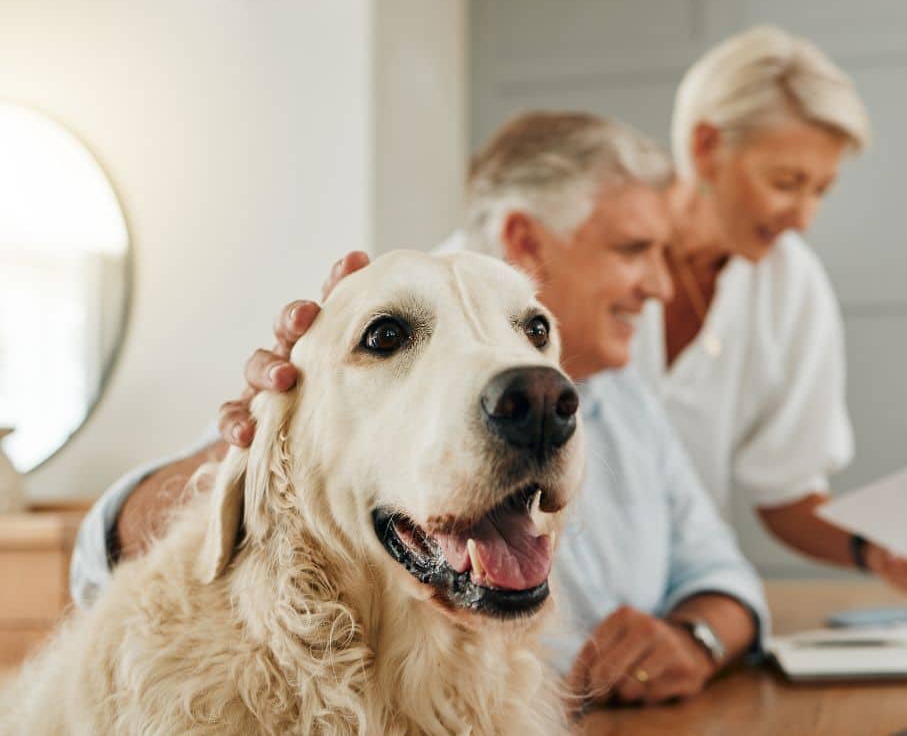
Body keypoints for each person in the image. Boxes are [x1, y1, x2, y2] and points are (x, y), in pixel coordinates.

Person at [70, 112, 767, 706]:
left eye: (663, 253)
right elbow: (110, 551)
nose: (659, 285)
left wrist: (694, 637)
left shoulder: (621, 396)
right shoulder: (355, 336)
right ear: (526, 242)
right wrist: (261, 444)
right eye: (634, 249)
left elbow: (722, 574)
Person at [632, 25, 907, 592]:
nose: (804, 216)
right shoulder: (583, 236)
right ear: (705, 147)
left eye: (821, 190)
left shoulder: (793, 285)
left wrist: (876, 548)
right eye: (786, 182)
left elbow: (786, 492)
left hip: (674, 606)